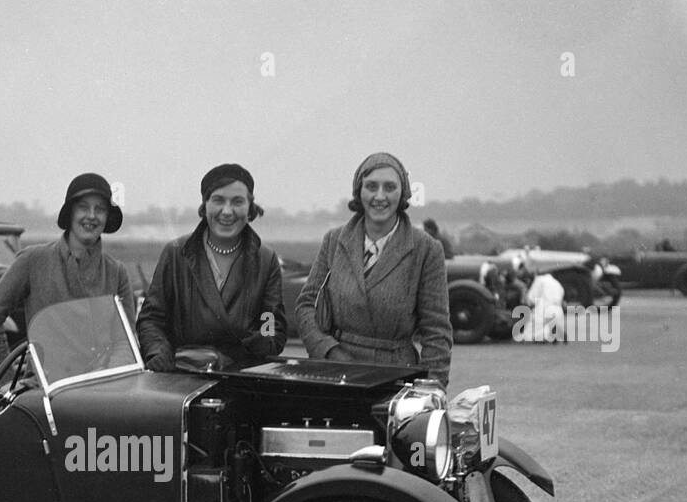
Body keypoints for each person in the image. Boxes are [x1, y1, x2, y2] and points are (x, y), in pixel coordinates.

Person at [296, 151, 452, 387]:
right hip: (335, 374)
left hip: (396, 378)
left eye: (390, 187)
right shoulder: (334, 240)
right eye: (371, 186)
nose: (380, 196)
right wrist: (328, 351)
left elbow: (436, 331)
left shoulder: (426, 250)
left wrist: (431, 389)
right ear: (359, 191)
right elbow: (306, 305)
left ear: (403, 193)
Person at [0, 172, 136, 375]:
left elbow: (125, 339)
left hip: (100, 393)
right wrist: (4, 381)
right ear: (70, 213)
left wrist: (110, 378)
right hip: (44, 395)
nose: (92, 216)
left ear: (107, 218)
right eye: (83, 207)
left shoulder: (116, 272)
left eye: (101, 209)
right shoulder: (33, 260)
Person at [135, 163, 287, 371]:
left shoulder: (266, 259)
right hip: (182, 373)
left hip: (242, 374)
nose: (227, 211)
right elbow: (151, 319)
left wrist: (262, 339)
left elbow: (271, 322)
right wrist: (159, 353)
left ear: (250, 207)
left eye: (237, 202)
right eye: (218, 200)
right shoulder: (176, 253)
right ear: (205, 204)